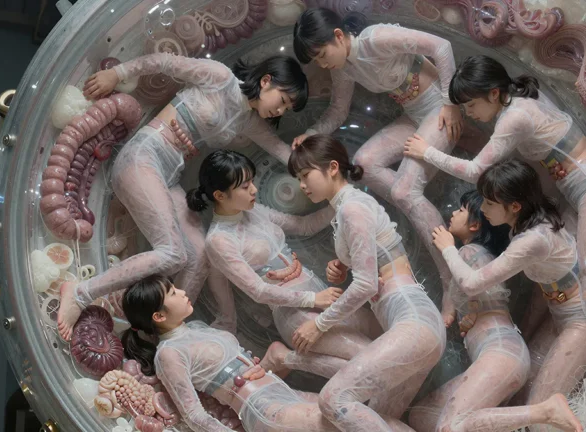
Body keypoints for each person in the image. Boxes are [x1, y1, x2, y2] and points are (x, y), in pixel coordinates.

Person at [56, 54, 308, 341]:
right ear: (266, 81)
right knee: (172, 253)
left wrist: (318, 169)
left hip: (170, 175)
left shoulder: (247, 120)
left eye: (287, 108)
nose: (280, 111)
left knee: (199, 255)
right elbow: (166, 61)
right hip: (143, 156)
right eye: (283, 100)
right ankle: (79, 293)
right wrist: (118, 73)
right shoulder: (220, 77)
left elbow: (280, 150)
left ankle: (163, 336)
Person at [404, 55, 586, 333]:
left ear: (493, 93)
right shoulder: (522, 99)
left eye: (471, 105)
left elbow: (476, 171)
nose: (469, 113)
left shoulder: (515, 117)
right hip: (579, 194)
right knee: (574, 279)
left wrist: (427, 152)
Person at [293, 8, 464, 326]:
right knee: (363, 165)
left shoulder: (377, 38)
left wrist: (451, 104)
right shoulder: (343, 67)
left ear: (339, 36)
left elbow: (442, 47)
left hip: (441, 112)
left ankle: (450, 281)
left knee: (404, 191)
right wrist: (311, 132)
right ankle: (412, 206)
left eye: (322, 55)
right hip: (415, 116)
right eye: (316, 61)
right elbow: (338, 111)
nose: (323, 64)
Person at [288, 135, 445, 432]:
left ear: (332, 168)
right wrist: (343, 264)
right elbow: (378, 259)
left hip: (413, 323)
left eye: (306, 175)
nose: (302, 185)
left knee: (332, 400)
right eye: (298, 178)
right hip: (418, 326)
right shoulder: (349, 206)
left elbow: (366, 286)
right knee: (380, 418)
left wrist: (318, 325)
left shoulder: (352, 208)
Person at [120, 274, 414, 432]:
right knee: (358, 420)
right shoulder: (168, 355)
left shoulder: (197, 327)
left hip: (281, 394)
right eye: (173, 293)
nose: (183, 292)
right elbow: (194, 415)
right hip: (265, 410)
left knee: (384, 423)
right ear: (159, 316)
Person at [187, 149, 382, 379]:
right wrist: (312, 299)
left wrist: (341, 195)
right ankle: (285, 358)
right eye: (245, 186)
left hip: (322, 294)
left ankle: (286, 358)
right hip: (295, 314)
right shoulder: (219, 240)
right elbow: (258, 291)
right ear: (220, 195)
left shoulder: (254, 211)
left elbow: (304, 226)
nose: (254, 189)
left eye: (252, 181)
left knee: (387, 339)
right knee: (374, 362)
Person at [427, 161, 586, 432]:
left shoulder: (531, 240)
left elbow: (471, 283)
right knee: (522, 402)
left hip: (580, 316)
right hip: (556, 311)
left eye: (490, 203)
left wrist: (447, 248)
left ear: (515, 206)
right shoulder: (528, 224)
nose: (483, 208)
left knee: (538, 418)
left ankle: (548, 410)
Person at [408, 190, 532, 431]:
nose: (453, 213)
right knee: (421, 415)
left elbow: (484, 289)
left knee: (449, 427)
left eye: (461, 209)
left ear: (475, 225)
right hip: (500, 354)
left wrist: (447, 248)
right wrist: (455, 314)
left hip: (500, 353)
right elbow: (462, 288)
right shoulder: (471, 257)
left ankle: (544, 411)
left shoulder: (470, 252)